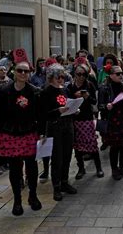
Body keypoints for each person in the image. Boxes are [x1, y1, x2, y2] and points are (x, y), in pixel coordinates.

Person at [0, 55, 42, 216]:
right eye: (20, 70)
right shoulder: (5, 91)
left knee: (32, 168)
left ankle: (33, 196)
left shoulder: (34, 92)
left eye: (26, 71)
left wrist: (41, 133)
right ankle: (17, 200)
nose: (22, 73)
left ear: (29, 73)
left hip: (29, 133)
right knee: (15, 169)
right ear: (14, 72)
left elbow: (39, 115)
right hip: (11, 134)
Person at [39, 63, 77, 201]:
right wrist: (57, 111)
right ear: (50, 78)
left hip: (68, 126)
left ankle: (65, 182)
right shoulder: (46, 92)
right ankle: (56, 186)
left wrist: (74, 109)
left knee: (67, 155)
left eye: (62, 76)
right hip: (54, 127)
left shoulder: (65, 90)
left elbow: (68, 104)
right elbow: (43, 114)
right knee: (57, 158)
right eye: (57, 77)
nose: (61, 79)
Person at [66, 61, 103, 180]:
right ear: (74, 74)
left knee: (91, 143)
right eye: (78, 74)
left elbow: (94, 102)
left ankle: (99, 167)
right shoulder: (70, 86)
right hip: (74, 119)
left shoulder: (89, 85)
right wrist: (73, 97)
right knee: (77, 146)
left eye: (83, 74)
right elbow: (66, 102)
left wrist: (87, 97)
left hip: (86, 118)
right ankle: (81, 168)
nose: (81, 77)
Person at [98, 65, 123, 180]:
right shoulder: (104, 88)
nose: (120, 75)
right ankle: (114, 169)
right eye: (118, 74)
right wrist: (106, 106)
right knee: (114, 147)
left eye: (121, 73)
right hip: (112, 120)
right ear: (111, 75)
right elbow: (100, 105)